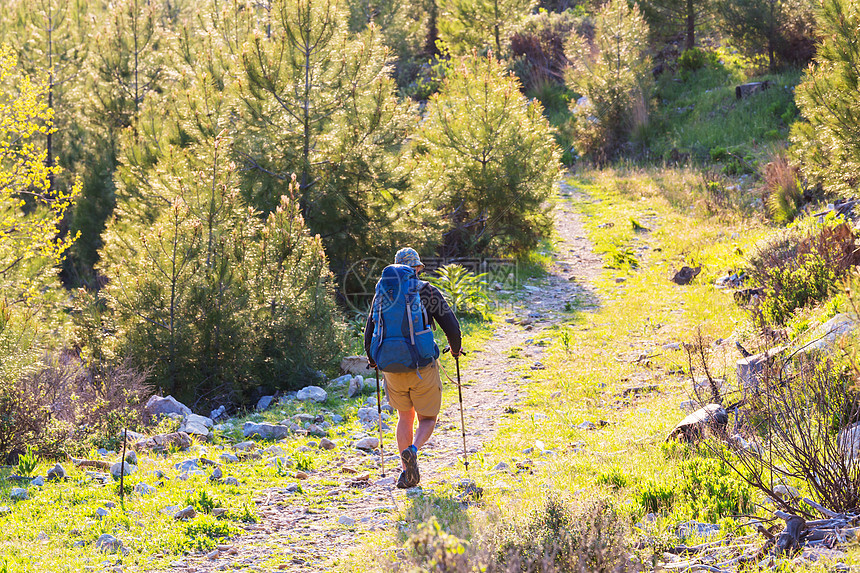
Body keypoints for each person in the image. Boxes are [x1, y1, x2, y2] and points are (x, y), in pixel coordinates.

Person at [364, 247, 462, 489]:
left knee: (404, 417)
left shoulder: (382, 293)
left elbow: (369, 332)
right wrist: (456, 350)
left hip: (390, 368)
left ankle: (407, 472)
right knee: (428, 418)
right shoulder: (427, 291)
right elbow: (451, 326)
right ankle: (413, 449)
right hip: (422, 366)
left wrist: (374, 360)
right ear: (416, 269)